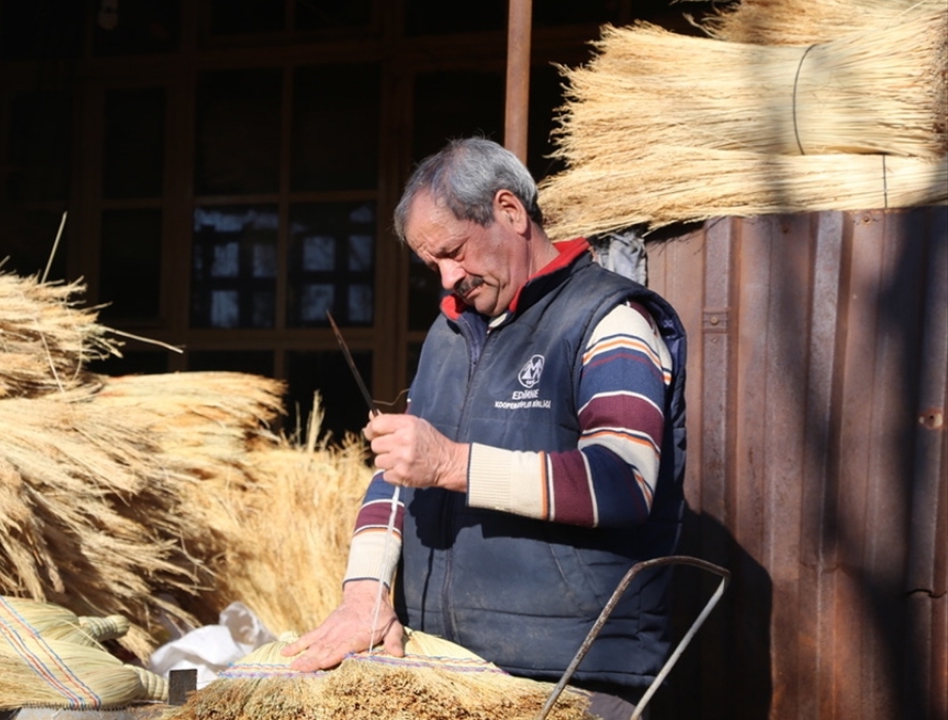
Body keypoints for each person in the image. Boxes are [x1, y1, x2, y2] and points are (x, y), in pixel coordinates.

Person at [282, 137, 688, 719]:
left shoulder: (611, 318)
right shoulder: (450, 337)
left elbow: (622, 483)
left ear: (510, 211)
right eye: (433, 265)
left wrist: (452, 464)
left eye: (454, 251)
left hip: (574, 679)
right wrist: (365, 592)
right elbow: (397, 478)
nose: (448, 278)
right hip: (447, 672)